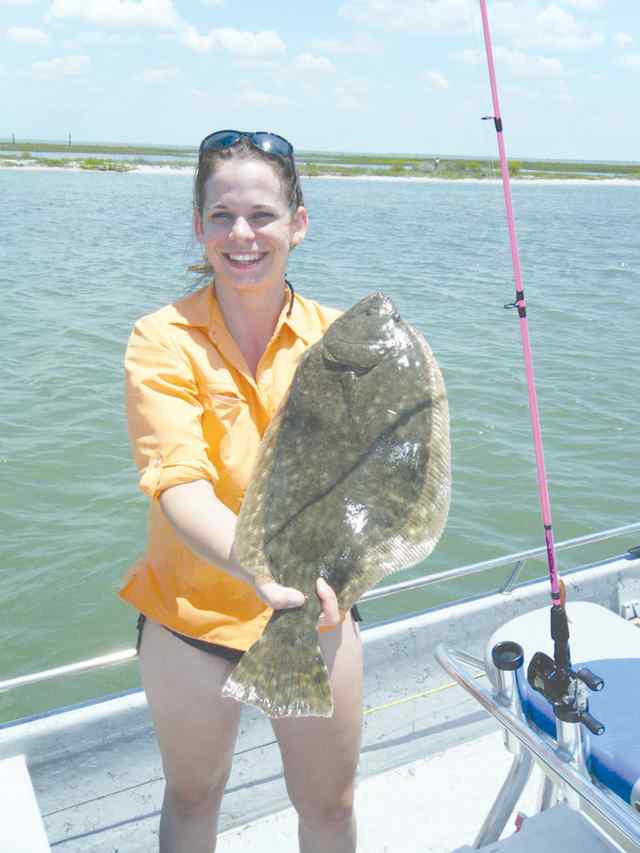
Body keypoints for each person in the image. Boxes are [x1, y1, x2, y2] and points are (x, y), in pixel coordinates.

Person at [119, 130, 363, 853]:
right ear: (199, 225)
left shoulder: (344, 340)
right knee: (193, 797)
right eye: (222, 216)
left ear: (298, 222)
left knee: (329, 805)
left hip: (316, 617)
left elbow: (370, 482)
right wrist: (260, 567)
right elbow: (178, 480)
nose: (242, 234)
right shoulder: (162, 338)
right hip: (190, 625)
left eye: (262, 214)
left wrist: (344, 575)